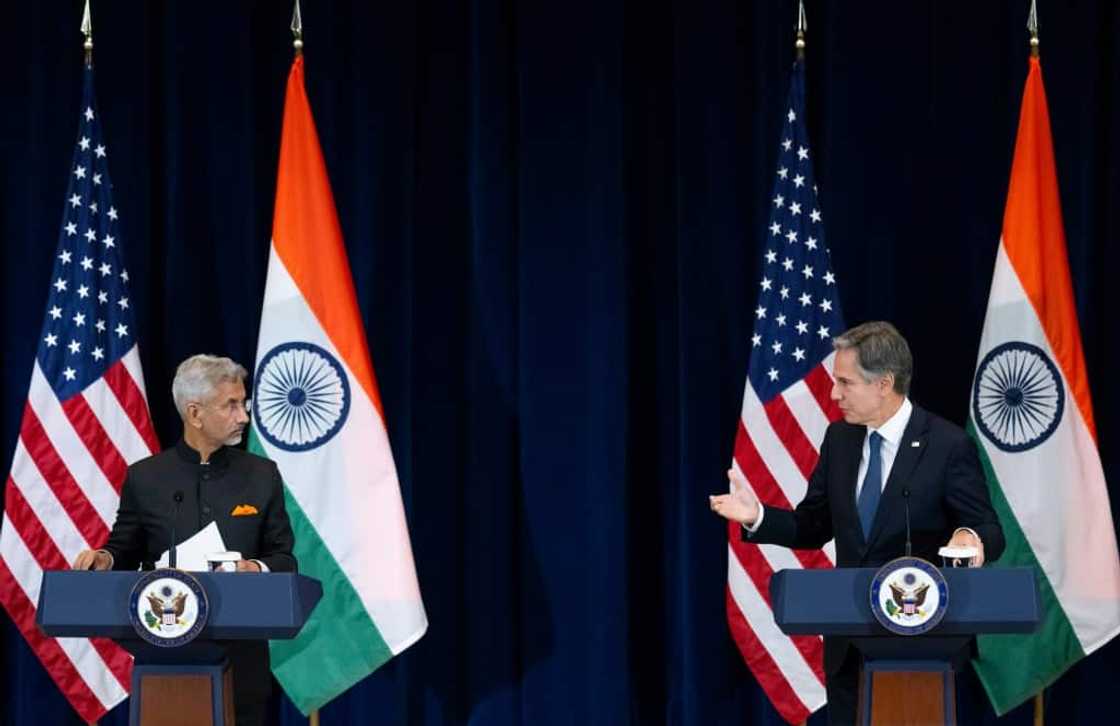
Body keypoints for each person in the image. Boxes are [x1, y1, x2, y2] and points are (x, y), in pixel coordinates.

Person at [709, 321, 1004, 725]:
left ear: (884, 384)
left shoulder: (947, 445)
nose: (834, 394)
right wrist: (758, 516)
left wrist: (970, 537)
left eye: (845, 383)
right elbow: (813, 526)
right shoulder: (840, 441)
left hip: (922, 648)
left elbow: (989, 529)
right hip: (849, 648)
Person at [73, 354, 296, 726]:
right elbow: (123, 548)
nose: (243, 416)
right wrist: (104, 560)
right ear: (194, 413)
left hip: (243, 670)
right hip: (166, 666)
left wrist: (253, 568)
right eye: (231, 405)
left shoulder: (261, 475)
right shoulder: (146, 478)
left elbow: (284, 558)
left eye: (244, 404)